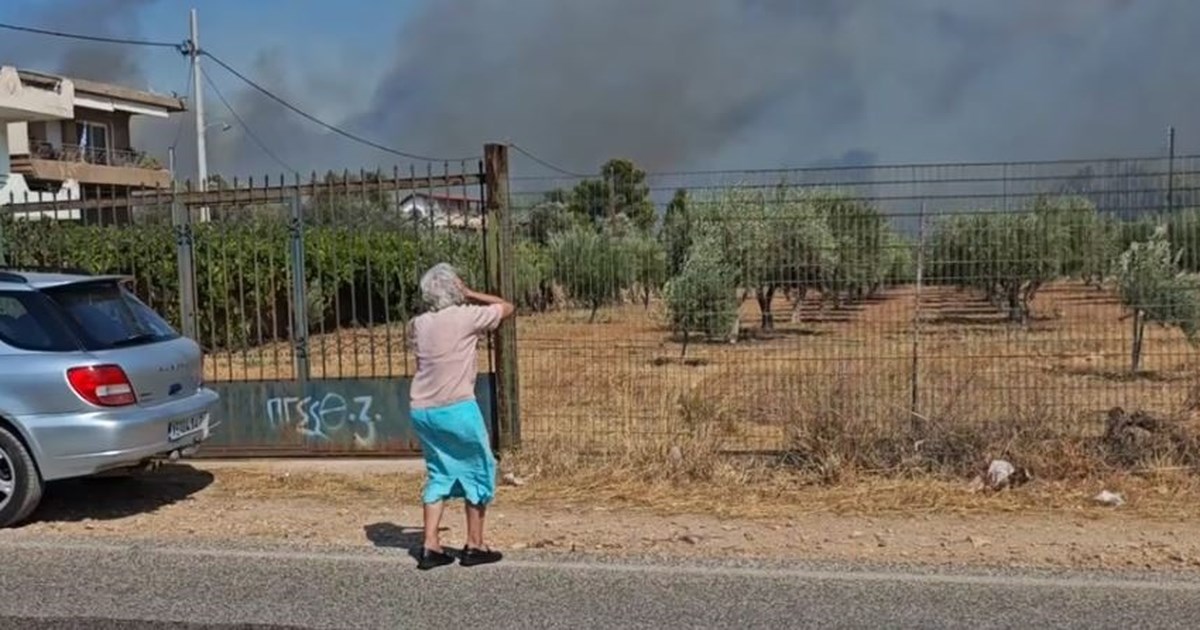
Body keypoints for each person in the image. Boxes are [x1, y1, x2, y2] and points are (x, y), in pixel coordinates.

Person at [407, 263, 515, 570]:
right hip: (457, 407)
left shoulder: (420, 324)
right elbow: (506, 307)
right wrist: (469, 293)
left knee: (439, 472)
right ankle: (475, 544)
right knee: (479, 469)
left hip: (423, 410)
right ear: (455, 289)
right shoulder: (466, 316)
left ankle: (429, 545)